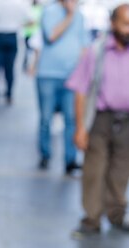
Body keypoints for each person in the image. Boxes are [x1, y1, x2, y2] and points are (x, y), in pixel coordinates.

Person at [67, 4, 129, 237]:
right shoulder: (97, 51)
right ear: (113, 24)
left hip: (127, 121)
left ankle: (117, 214)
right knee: (94, 169)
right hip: (101, 119)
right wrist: (80, 127)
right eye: (125, 23)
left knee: (121, 170)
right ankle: (91, 218)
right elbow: (80, 90)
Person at [36, 0, 89, 174]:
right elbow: (51, 36)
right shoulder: (50, 12)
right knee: (46, 118)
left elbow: (85, 46)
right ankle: (45, 154)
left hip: (72, 76)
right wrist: (69, 15)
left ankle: (70, 159)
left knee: (71, 119)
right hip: (48, 75)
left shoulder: (80, 16)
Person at [0, 0, 32, 105]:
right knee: (10, 68)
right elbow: (31, 21)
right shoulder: (21, 4)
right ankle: (9, 95)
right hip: (12, 36)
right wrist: (18, 24)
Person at [23, 0, 43, 71]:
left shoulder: (40, 9)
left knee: (33, 51)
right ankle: (29, 66)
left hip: (34, 33)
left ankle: (32, 66)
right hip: (28, 33)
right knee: (29, 51)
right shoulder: (29, 9)